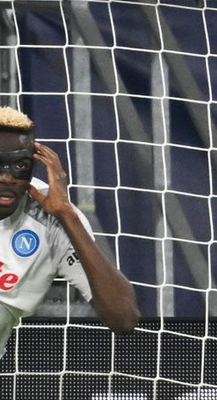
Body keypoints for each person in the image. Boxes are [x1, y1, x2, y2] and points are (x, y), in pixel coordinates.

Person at [0, 108, 139, 357]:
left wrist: (66, 214)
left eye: (21, 165)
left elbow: (123, 318)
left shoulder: (51, 219)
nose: (8, 177)